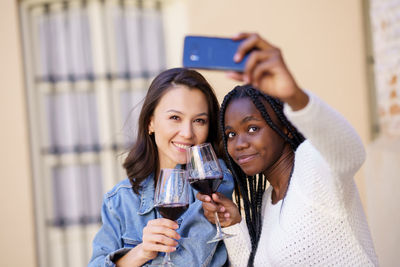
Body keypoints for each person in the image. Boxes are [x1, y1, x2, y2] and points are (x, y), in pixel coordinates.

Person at [197, 33, 379, 266]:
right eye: (231, 134)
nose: (239, 143)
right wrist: (233, 224)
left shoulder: (312, 167)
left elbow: (351, 152)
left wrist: (294, 96)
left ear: (286, 129)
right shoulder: (267, 201)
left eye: (252, 128)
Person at [89, 68, 234, 267]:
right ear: (151, 123)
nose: (187, 133)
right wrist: (141, 252)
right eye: (175, 117)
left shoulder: (216, 180)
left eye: (199, 121)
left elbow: (191, 261)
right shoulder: (120, 200)